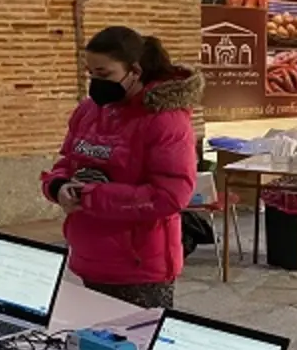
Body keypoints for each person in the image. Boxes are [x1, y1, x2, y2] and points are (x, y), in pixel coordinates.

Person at [42, 26, 201, 309]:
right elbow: (67, 161)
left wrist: (90, 196)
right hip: (87, 256)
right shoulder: (88, 112)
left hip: (138, 268)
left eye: (104, 75)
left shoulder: (164, 120)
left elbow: (170, 196)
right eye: (90, 74)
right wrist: (58, 186)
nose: (95, 82)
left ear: (135, 71)